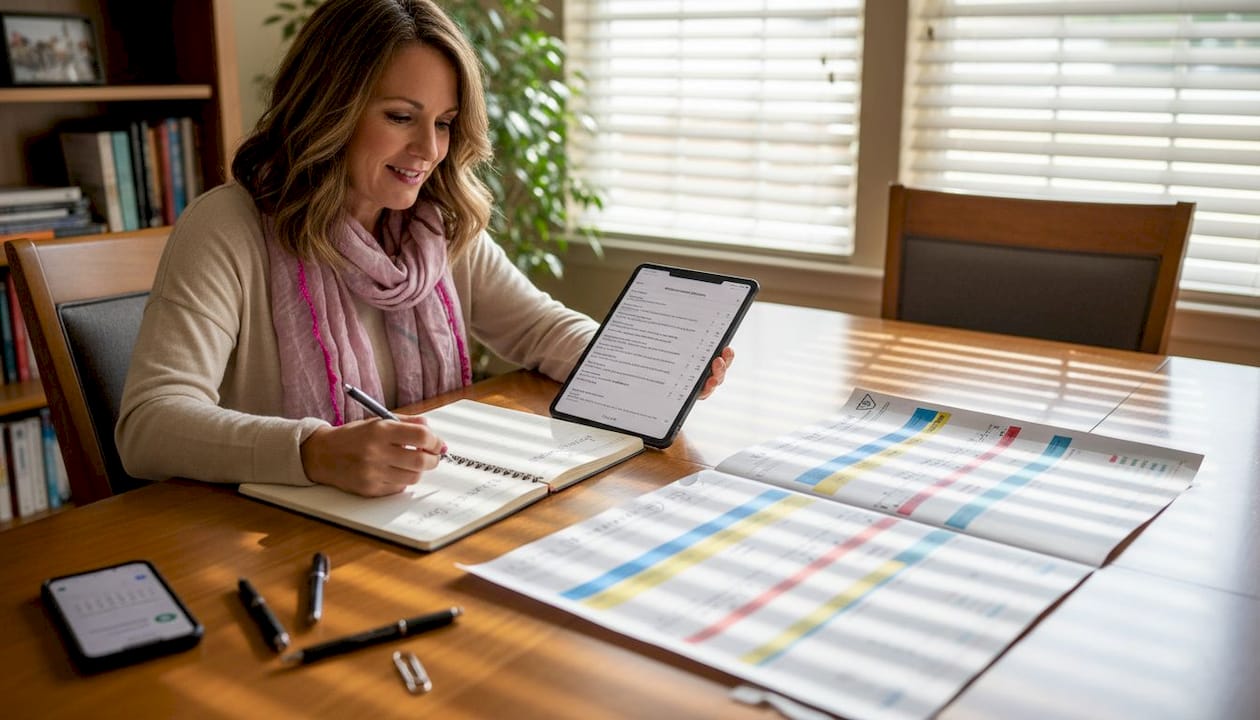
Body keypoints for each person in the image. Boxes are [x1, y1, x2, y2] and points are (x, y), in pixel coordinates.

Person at [115, 0, 732, 498]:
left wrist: (645, 368)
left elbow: (541, 329)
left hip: (416, 508)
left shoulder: (435, 225)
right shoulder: (228, 226)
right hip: (272, 533)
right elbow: (150, 424)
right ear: (330, 108)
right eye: (401, 117)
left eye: (443, 122)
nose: (430, 150)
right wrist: (313, 450)